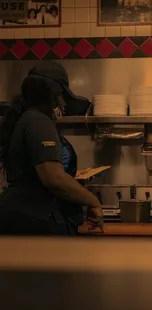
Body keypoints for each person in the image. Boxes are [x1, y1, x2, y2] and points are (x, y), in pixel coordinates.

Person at [0, 72, 103, 236]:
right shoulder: (39, 122)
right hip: (35, 218)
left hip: (21, 214)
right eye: (62, 98)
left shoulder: (25, 119)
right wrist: (93, 200)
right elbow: (54, 179)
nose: (63, 105)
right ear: (52, 97)